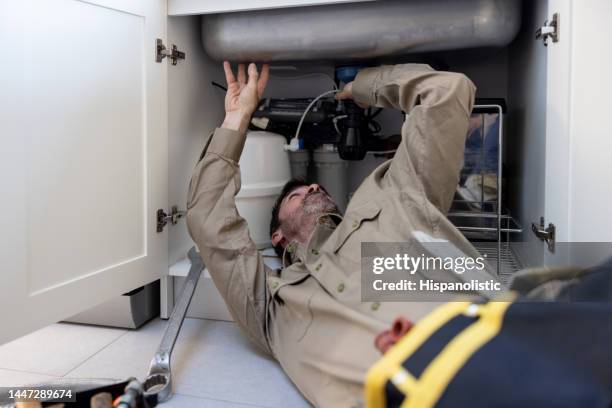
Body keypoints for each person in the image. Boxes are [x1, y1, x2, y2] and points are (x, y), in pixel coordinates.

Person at [186, 62, 497, 407]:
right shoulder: (271, 308)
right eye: (296, 195)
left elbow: (447, 90)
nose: (314, 186)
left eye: (312, 186)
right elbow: (207, 215)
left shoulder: (393, 201)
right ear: (278, 239)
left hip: (508, 358)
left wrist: (360, 90)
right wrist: (237, 118)